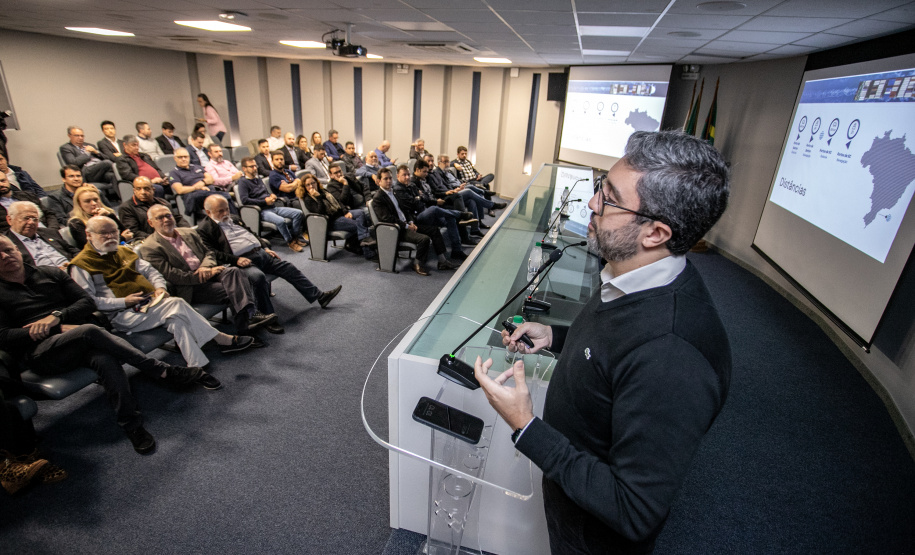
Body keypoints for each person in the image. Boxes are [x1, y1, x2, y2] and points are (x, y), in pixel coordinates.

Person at [472, 130, 732, 554]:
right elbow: (615, 349)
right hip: (571, 501)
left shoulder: (672, 357)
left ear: (655, 233)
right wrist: (556, 337)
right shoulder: (631, 275)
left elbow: (633, 509)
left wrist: (526, 427)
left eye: (609, 199)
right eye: (600, 188)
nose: (593, 204)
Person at [0, 235, 220, 455]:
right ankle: (162, 370)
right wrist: (56, 329)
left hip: (79, 342)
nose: (5, 256)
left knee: (106, 360)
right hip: (42, 354)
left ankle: (132, 425)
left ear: (18, 250)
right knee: (90, 330)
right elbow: (4, 336)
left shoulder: (50, 273)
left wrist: (57, 316)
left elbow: (86, 302)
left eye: (8, 250)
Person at [70, 216, 257, 371]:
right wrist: (123, 302)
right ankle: (221, 338)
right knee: (176, 304)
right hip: (122, 315)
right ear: (88, 235)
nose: (110, 236)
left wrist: (160, 287)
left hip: (149, 304)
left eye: (113, 232)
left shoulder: (122, 251)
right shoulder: (81, 264)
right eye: (103, 233)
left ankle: (197, 367)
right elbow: (89, 301)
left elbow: (151, 272)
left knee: (177, 321)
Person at [138, 205, 277, 334]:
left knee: (234, 271)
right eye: (160, 218)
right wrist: (201, 275)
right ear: (151, 223)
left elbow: (209, 253)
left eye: (168, 215)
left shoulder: (187, 232)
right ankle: (247, 324)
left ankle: (249, 319)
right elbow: (171, 275)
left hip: (209, 271)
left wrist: (206, 267)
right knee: (235, 290)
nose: (166, 220)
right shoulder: (150, 247)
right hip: (191, 286)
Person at [198, 195, 342, 319]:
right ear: (208, 212)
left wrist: (265, 247)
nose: (226, 213)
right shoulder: (204, 229)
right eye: (220, 211)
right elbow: (212, 252)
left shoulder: (233, 218)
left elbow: (252, 234)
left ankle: (319, 297)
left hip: (260, 253)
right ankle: (268, 317)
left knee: (288, 267)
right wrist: (236, 260)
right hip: (242, 262)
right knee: (258, 277)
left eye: (227, 209)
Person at [371, 167, 457, 275]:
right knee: (424, 239)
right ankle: (417, 264)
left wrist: (411, 222)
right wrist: (407, 226)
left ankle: (442, 261)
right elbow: (387, 219)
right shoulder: (378, 198)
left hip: (407, 224)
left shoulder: (394, 193)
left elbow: (406, 211)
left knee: (434, 230)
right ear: (379, 181)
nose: (389, 181)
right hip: (396, 230)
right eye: (385, 179)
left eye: (390, 178)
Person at [397, 162, 474, 261]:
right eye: (404, 175)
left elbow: (424, 196)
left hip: (423, 210)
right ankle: (460, 215)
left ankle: (457, 250)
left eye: (408, 174)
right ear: (398, 176)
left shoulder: (410, 185)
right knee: (435, 208)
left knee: (450, 219)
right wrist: (419, 198)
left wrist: (419, 197)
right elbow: (411, 204)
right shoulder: (399, 189)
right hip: (416, 217)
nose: (407, 177)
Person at [297, 173, 375, 259]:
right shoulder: (308, 199)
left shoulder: (324, 191)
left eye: (313, 183)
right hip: (331, 221)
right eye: (308, 185)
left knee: (361, 213)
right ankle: (367, 251)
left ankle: (353, 243)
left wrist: (345, 212)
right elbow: (320, 213)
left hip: (340, 214)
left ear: (316, 182)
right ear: (304, 187)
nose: (311, 186)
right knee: (360, 224)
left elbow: (338, 201)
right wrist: (318, 198)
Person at [236, 157, 307, 252]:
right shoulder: (243, 182)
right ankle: (291, 242)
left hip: (272, 207)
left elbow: (265, 193)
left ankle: (295, 237)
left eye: (255, 166)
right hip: (261, 211)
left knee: (298, 213)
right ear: (244, 168)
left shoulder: (258, 179)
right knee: (281, 221)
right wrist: (264, 201)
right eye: (251, 166)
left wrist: (272, 196)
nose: (255, 168)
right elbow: (245, 200)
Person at [5, 201, 78, 269]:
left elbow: (73, 251)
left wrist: (75, 263)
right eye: (26, 218)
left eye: (35, 219)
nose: (31, 222)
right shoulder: (5, 243)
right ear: (10, 220)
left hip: (72, 268)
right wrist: (57, 272)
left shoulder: (49, 233)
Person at [169, 147, 233, 220]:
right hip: (193, 196)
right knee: (223, 196)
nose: (183, 159)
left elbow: (211, 179)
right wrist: (196, 187)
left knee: (225, 199)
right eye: (180, 157)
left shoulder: (197, 167)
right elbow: (179, 190)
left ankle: (234, 220)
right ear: (175, 158)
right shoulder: (174, 173)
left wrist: (202, 182)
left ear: (189, 157)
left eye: (185, 157)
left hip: (208, 192)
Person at [118, 176, 189, 241]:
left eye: (146, 189)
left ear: (153, 190)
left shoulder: (163, 203)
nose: (143, 192)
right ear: (134, 190)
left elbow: (178, 218)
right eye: (138, 189)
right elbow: (134, 232)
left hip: (170, 237)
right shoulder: (126, 208)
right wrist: (160, 239)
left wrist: (187, 231)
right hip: (150, 242)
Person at [68, 185, 133, 249]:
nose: (93, 203)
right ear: (79, 204)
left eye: (96, 200)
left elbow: (128, 234)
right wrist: (122, 238)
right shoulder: (76, 223)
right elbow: (94, 247)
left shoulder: (107, 214)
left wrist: (110, 216)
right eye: (87, 201)